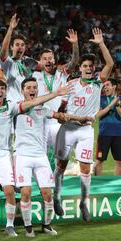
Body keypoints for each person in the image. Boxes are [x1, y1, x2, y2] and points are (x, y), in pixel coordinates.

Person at [0, 79, 70, 237]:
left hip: (6, 155)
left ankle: (14, 225)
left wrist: (59, 100)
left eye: (3, 88)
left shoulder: (12, 107)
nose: (0, 91)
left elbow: (46, 108)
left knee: (11, 191)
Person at [15, 77, 93, 237]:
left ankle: (46, 225)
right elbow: (29, 105)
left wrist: (81, 119)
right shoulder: (17, 107)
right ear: (22, 90)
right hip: (23, 156)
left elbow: (60, 116)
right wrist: (56, 93)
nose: (32, 90)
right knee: (26, 193)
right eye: (28, 87)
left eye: (34, 87)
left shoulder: (42, 110)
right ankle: (28, 227)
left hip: (40, 156)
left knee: (47, 194)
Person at [54, 28, 114, 221]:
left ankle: (84, 202)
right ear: (80, 67)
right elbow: (60, 112)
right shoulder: (70, 84)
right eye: (85, 66)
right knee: (61, 165)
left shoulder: (98, 83)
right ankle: (56, 197)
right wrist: (68, 117)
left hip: (86, 131)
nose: (89, 68)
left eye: (91, 66)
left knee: (85, 168)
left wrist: (101, 43)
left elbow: (110, 63)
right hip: (68, 129)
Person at [31, 29, 79, 167]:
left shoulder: (61, 72)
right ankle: (41, 184)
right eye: (44, 59)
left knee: (62, 156)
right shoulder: (35, 76)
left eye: (50, 58)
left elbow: (75, 61)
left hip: (57, 122)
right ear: (40, 61)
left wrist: (74, 44)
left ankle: (58, 183)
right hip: (40, 121)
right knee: (40, 155)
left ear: (54, 60)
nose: (48, 61)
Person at [0, 14, 39, 103]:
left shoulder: (27, 62)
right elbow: (3, 52)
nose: (20, 47)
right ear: (11, 47)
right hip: (13, 104)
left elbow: (45, 66)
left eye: (22, 45)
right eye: (17, 45)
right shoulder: (8, 63)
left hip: (27, 103)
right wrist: (10, 28)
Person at [94, 79, 121, 175]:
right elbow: (98, 115)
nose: (105, 88)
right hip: (104, 134)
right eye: (104, 86)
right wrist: (110, 105)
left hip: (119, 134)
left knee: (119, 161)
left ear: (114, 86)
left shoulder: (120, 99)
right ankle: (97, 183)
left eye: (107, 85)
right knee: (99, 160)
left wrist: (117, 104)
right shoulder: (101, 99)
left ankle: (117, 185)